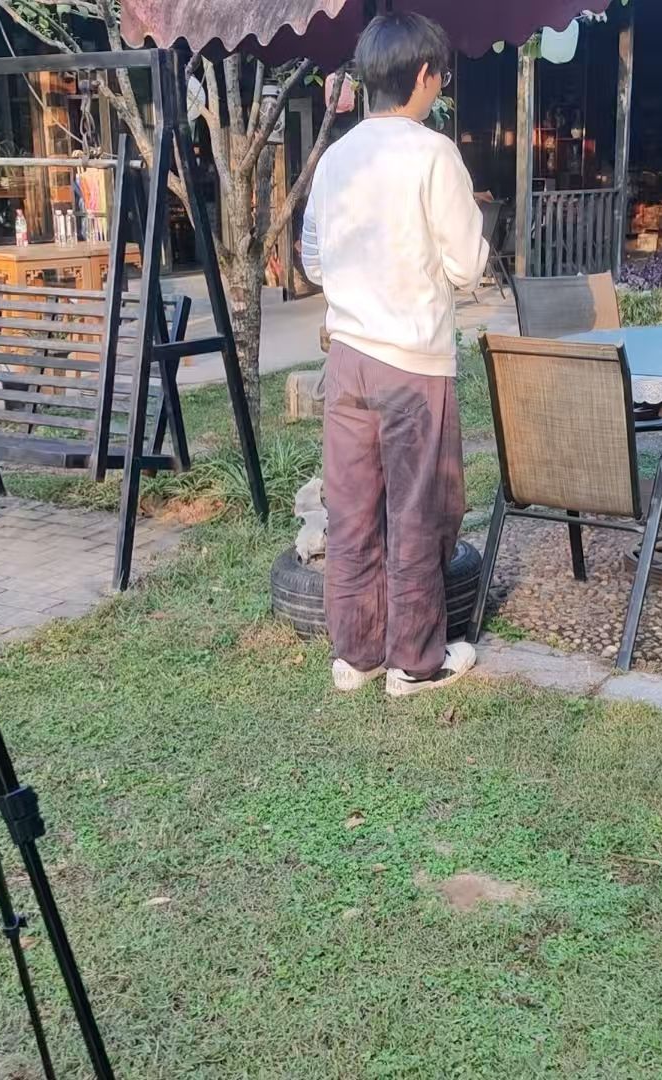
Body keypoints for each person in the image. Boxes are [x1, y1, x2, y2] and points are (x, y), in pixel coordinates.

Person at [300, 12, 488, 697]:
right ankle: (415, 662)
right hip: (412, 362)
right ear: (424, 76)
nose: (440, 85)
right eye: (440, 75)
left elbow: (312, 262)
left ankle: (356, 655)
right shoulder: (433, 154)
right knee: (417, 513)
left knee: (352, 510)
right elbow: (467, 265)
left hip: (348, 358)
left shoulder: (336, 158)